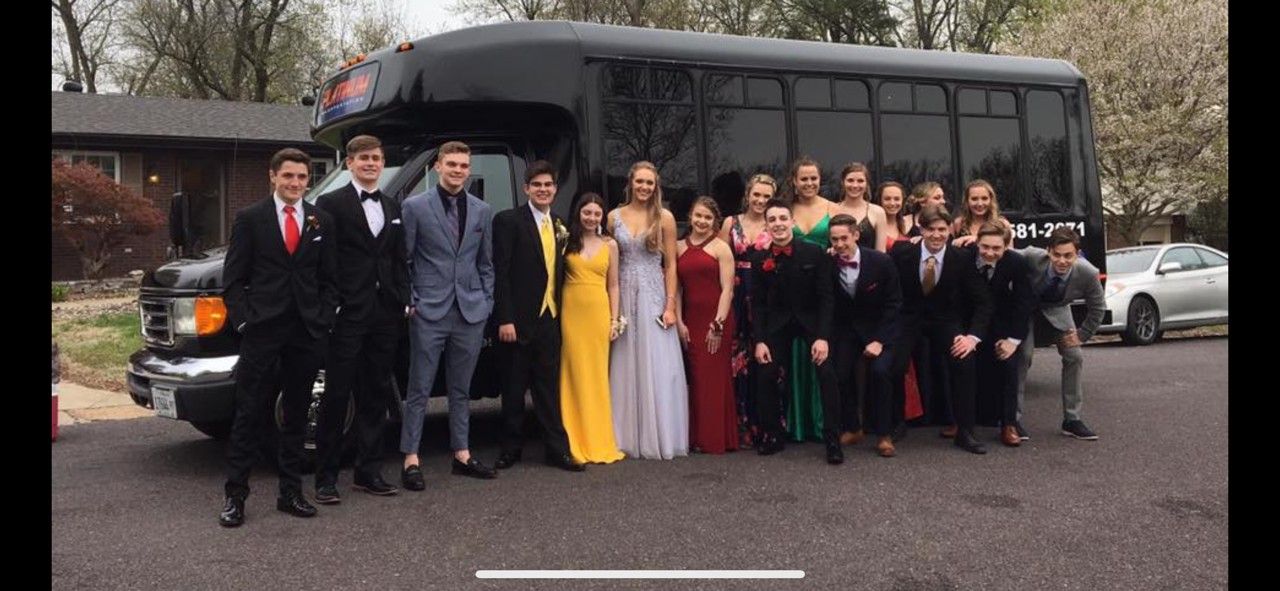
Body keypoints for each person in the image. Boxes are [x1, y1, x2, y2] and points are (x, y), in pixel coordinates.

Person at [219, 148, 337, 527]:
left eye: (302, 177)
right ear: (273, 176)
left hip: (305, 332)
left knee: (297, 415)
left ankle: (291, 493)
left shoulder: (322, 221)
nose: (295, 183)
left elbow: (330, 280)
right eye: (288, 176)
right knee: (249, 412)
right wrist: (244, 323)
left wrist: (321, 318)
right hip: (262, 330)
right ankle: (235, 496)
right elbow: (234, 282)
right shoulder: (250, 219)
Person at [313, 135, 407, 504]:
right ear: (349, 163)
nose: (371, 164)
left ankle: (369, 472)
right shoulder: (329, 203)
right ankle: (326, 478)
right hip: (347, 313)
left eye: (376, 158)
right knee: (337, 396)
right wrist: (331, 304)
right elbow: (324, 259)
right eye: (364, 158)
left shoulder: (391, 204)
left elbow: (398, 257)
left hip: (385, 313)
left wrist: (402, 296)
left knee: (376, 394)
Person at [399, 140, 497, 490]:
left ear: (469, 170)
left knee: (461, 388)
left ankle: (462, 453)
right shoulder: (415, 207)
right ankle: (411, 457)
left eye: (463, 166)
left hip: (469, 311)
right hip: (429, 310)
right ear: (438, 166)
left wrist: (486, 301)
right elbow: (405, 260)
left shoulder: (482, 210)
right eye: (451, 164)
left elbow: (486, 263)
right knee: (419, 387)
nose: (457, 170)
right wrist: (413, 301)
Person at [491, 160, 584, 472]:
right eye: (537, 185)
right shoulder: (508, 221)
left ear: (555, 190)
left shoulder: (560, 225)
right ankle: (510, 448)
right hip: (516, 320)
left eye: (548, 185)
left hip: (550, 318)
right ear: (526, 189)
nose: (543, 190)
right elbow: (500, 273)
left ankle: (557, 450)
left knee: (548, 388)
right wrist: (504, 318)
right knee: (514, 388)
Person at [890, 205, 992, 455]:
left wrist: (972, 337)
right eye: (931, 229)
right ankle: (895, 423)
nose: (937, 235)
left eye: (942, 230)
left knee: (964, 360)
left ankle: (965, 431)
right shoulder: (903, 253)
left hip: (945, 320)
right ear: (921, 230)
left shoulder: (962, 258)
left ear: (950, 231)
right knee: (892, 363)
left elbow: (983, 301)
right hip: (909, 319)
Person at [751, 198, 842, 464]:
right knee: (766, 372)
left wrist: (823, 337)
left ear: (791, 221)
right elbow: (757, 304)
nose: (778, 224)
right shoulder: (759, 260)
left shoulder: (814, 253)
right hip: (777, 325)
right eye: (772, 220)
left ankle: (833, 439)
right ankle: (773, 434)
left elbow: (827, 298)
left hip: (812, 322)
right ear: (766, 225)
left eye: (782, 219)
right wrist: (760, 341)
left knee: (826, 372)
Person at [608, 161, 689, 460]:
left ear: (656, 186)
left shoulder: (664, 217)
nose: (644, 188)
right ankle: (624, 434)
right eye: (639, 182)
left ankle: (660, 434)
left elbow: (671, 266)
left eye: (649, 183)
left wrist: (670, 305)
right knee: (624, 360)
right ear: (630, 183)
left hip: (654, 294)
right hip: (624, 291)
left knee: (658, 362)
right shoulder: (613, 217)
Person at [1014, 227, 1106, 441]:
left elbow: (1098, 308)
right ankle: (1013, 419)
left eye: (1068, 256)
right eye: (1057, 255)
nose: (1062, 261)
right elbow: (1000, 254)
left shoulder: (1088, 272)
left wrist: (1082, 335)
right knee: (1023, 356)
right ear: (1048, 251)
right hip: (1026, 310)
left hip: (1058, 312)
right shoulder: (1031, 256)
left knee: (1075, 356)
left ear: (1077, 254)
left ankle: (1072, 419)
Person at [559, 192, 626, 464]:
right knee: (572, 373)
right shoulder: (565, 241)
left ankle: (598, 439)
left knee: (597, 375)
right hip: (570, 311)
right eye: (587, 212)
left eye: (597, 213)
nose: (591, 217)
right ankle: (572, 439)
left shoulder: (610, 245)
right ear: (578, 213)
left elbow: (614, 285)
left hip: (598, 312)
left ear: (602, 216)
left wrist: (614, 319)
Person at [827, 214, 902, 458]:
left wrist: (880, 340)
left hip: (880, 329)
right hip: (847, 330)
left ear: (856, 235)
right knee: (840, 373)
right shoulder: (828, 262)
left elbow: (894, 304)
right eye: (834, 239)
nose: (839, 244)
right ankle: (853, 427)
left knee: (880, 373)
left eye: (844, 238)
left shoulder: (881, 262)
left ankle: (884, 434)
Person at [717, 174, 776, 447]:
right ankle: (740, 426)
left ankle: (767, 424)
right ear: (748, 195)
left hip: (766, 295)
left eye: (766, 196)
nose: (761, 201)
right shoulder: (731, 223)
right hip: (737, 294)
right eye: (757, 195)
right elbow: (719, 259)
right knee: (737, 360)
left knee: (765, 359)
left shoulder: (775, 222)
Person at [676, 197, 737, 454]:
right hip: (690, 319)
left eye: (708, 218)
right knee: (696, 378)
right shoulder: (678, 247)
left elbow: (727, 290)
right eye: (698, 216)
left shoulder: (721, 248)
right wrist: (679, 321)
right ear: (691, 216)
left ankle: (714, 438)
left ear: (715, 222)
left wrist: (718, 323)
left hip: (715, 319)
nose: (702, 222)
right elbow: (677, 289)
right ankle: (697, 436)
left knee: (712, 377)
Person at [966, 221, 1033, 447]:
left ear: (1006, 247)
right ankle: (962, 423)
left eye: (996, 248)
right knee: (963, 365)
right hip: (970, 325)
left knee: (1008, 365)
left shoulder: (1017, 263)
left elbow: (1024, 304)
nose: (990, 253)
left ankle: (1008, 424)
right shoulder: (964, 258)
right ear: (977, 243)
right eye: (985, 247)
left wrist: (1013, 341)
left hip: (1003, 328)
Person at [782, 157, 833, 442]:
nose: (809, 183)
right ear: (794, 181)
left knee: (823, 351)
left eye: (814, 178)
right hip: (793, 287)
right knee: (795, 354)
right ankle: (798, 422)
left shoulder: (832, 208)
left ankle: (825, 421)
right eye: (804, 179)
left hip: (824, 286)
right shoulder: (786, 210)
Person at [829, 163, 886, 252]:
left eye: (860, 181)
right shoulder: (832, 209)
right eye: (850, 180)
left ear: (867, 184)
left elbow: (881, 251)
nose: (855, 185)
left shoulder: (878, 212)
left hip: (870, 264)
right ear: (843, 182)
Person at [951, 180, 1008, 247]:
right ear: (967, 201)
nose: (980, 204)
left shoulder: (1003, 225)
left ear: (991, 200)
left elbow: (1010, 254)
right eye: (974, 199)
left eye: (984, 198)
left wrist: (975, 239)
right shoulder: (958, 224)